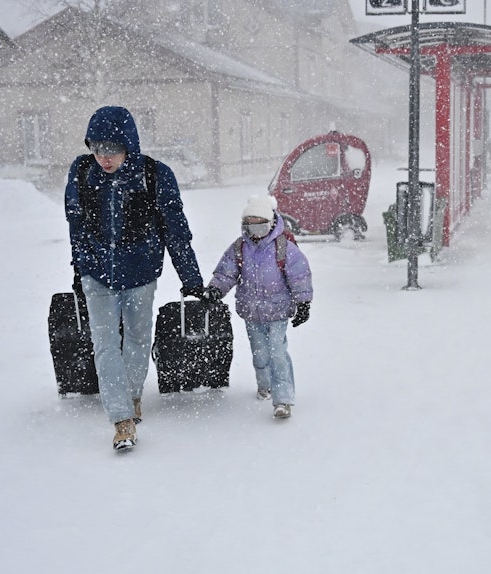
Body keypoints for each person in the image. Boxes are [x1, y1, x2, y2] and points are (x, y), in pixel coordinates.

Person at [65, 106, 204, 451]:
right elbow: (76, 226)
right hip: (96, 274)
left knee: (139, 338)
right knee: (105, 343)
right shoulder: (83, 173)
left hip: (140, 273)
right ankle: (121, 418)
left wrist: (192, 279)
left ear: (129, 144)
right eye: (96, 148)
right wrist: (80, 268)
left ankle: (133, 394)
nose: (103, 157)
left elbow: (176, 232)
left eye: (111, 148)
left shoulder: (155, 176)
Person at [204, 195, 313, 419]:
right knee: (260, 354)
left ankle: (283, 398)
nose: (256, 232)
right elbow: (226, 273)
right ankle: (265, 386)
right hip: (251, 312)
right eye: (250, 226)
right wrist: (216, 289)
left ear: (271, 223)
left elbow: (299, 275)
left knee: (277, 352)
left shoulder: (284, 248)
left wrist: (303, 303)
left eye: (261, 226)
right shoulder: (239, 248)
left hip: (278, 311)